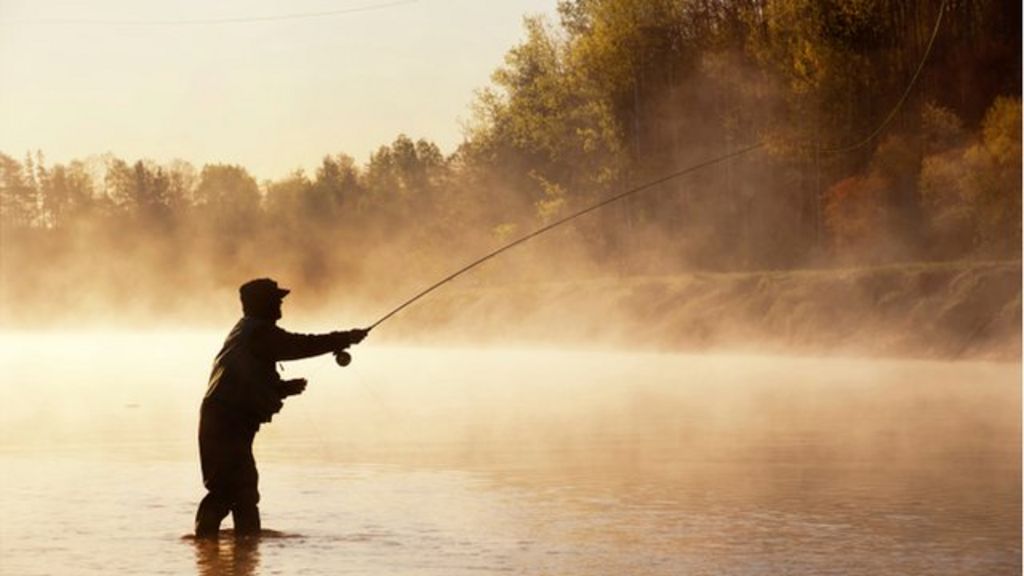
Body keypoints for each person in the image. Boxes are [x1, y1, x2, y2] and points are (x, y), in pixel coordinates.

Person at [194, 278, 368, 538]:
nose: (280, 303)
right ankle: (210, 549)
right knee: (229, 490)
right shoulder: (259, 332)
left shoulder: (246, 331)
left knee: (242, 491)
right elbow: (300, 345)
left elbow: (246, 377)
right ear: (260, 304)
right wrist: (344, 338)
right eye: (275, 299)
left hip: (225, 418)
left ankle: (241, 552)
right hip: (226, 420)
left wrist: (283, 388)